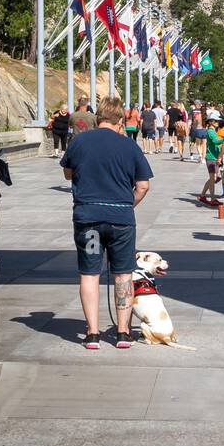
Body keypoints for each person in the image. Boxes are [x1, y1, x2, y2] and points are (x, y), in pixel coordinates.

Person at [60, 95, 152, 350]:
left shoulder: (79, 141)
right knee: (123, 273)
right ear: (120, 120)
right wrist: (127, 205)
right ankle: (123, 332)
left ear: (98, 117)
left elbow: (68, 173)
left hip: (88, 219)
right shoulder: (128, 146)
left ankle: (92, 333)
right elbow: (143, 185)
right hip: (121, 219)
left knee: (89, 274)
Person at [199, 108, 224, 202]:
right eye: (216, 121)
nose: (218, 122)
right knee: (212, 178)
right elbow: (215, 141)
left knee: (212, 178)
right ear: (211, 122)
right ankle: (213, 198)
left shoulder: (213, 131)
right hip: (211, 158)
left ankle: (202, 195)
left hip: (214, 157)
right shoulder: (210, 131)